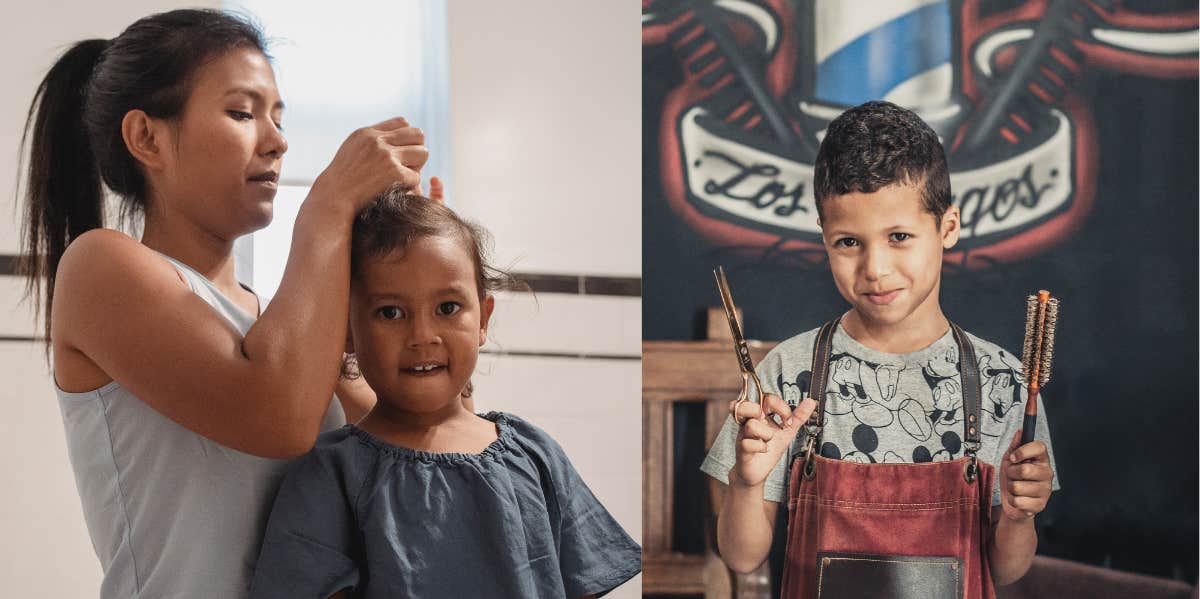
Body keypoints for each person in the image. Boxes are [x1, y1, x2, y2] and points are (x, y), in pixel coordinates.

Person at [20, 9, 432, 597]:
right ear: (147, 137)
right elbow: (278, 418)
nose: (278, 141)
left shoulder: (282, 325)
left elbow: (410, 462)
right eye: (242, 112)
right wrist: (326, 208)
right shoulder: (99, 265)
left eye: (278, 118)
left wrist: (414, 278)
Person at [699, 101, 1060, 597]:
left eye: (899, 236)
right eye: (849, 242)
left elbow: (1006, 570)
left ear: (947, 227)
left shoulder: (1003, 381)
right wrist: (746, 482)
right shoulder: (790, 374)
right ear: (824, 238)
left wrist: (1019, 518)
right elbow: (741, 556)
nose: (874, 267)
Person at [249, 190, 642, 598]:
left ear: (483, 318)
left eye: (448, 308)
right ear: (346, 330)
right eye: (390, 312)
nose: (423, 337)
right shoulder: (330, 474)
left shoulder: (536, 454)